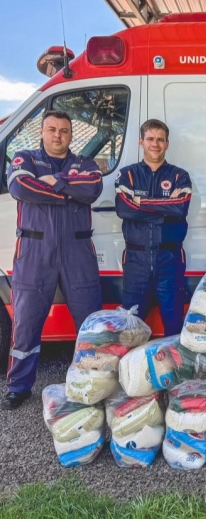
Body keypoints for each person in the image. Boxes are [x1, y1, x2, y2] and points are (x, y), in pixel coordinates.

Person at [3, 110, 103, 410]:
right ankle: (19, 386)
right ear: (42, 133)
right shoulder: (25, 158)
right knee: (26, 323)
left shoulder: (84, 163)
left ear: (71, 135)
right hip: (35, 250)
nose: (58, 135)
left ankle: (95, 384)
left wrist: (54, 182)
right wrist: (69, 190)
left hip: (77, 251)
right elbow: (19, 186)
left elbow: (93, 188)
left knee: (90, 323)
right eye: (52, 130)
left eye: (64, 130)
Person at [115, 119, 191, 336]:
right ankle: (132, 369)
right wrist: (164, 208)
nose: (155, 144)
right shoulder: (128, 174)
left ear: (167, 143)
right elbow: (124, 209)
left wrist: (141, 203)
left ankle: (175, 368)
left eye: (160, 140)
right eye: (150, 139)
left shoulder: (179, 176)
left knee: (174, 321)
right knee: (131, 325)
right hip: (136, 259)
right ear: (141, 142)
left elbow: (180, 208)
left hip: (169, 258)